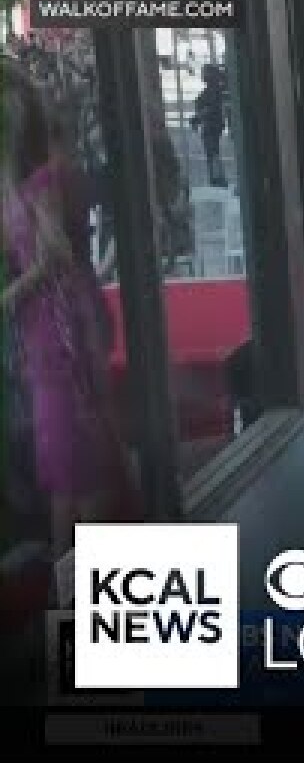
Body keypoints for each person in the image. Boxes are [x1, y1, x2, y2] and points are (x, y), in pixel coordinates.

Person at [1, 55, 135, 601]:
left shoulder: (45, 177)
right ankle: (73, 593)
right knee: (64, 460)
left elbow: (54, 255)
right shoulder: (26, 178)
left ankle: (84, 592)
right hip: (46, 328)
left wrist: (9, 297)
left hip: (60, 326)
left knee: (74, 455)